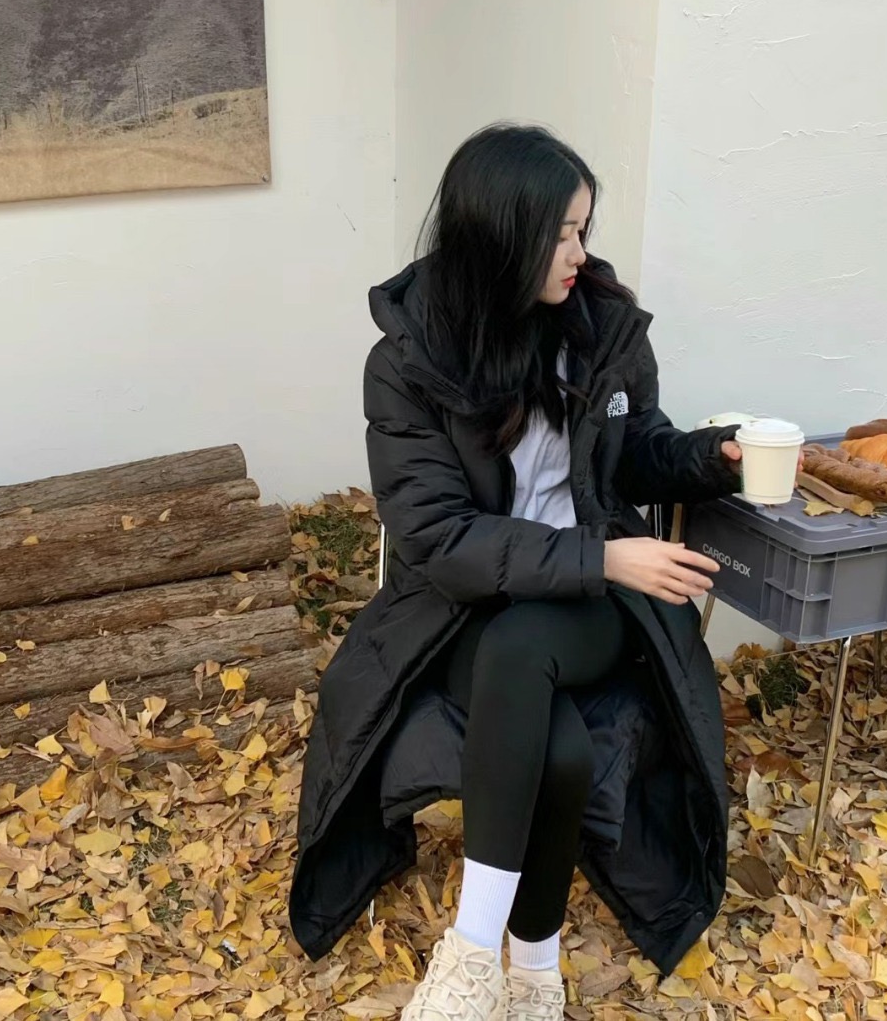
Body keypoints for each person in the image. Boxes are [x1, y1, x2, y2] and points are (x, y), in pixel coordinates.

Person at [290, 123, 746, 1021]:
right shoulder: (411, 362)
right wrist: (600, 553)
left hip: (594, 599)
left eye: (584, 229)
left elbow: (634, 452)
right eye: (562, 233)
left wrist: (711, 457)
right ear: (502, 237)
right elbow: (438, 538)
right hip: (465, 605)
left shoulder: (600, 329)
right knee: (560, 747)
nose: (580, 253)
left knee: (526, 646)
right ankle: (533, 967)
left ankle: (469, 955)